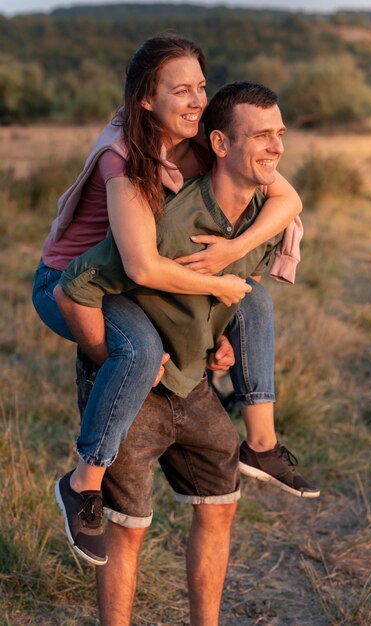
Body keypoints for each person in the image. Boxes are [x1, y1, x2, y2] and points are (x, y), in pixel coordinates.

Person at [31, 34, 311, 566]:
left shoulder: (205, 141)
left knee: (253, 303)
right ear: (145, 99)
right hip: (72, 282)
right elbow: (140, 266)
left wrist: (235, 251)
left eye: (201, 87)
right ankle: (81, 484)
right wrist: (216, 285)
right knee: (136, 351)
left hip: (129, 282)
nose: (196, 101)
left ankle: (262, 443)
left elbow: (287, 196)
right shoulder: (123, 159)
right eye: (180, 90)